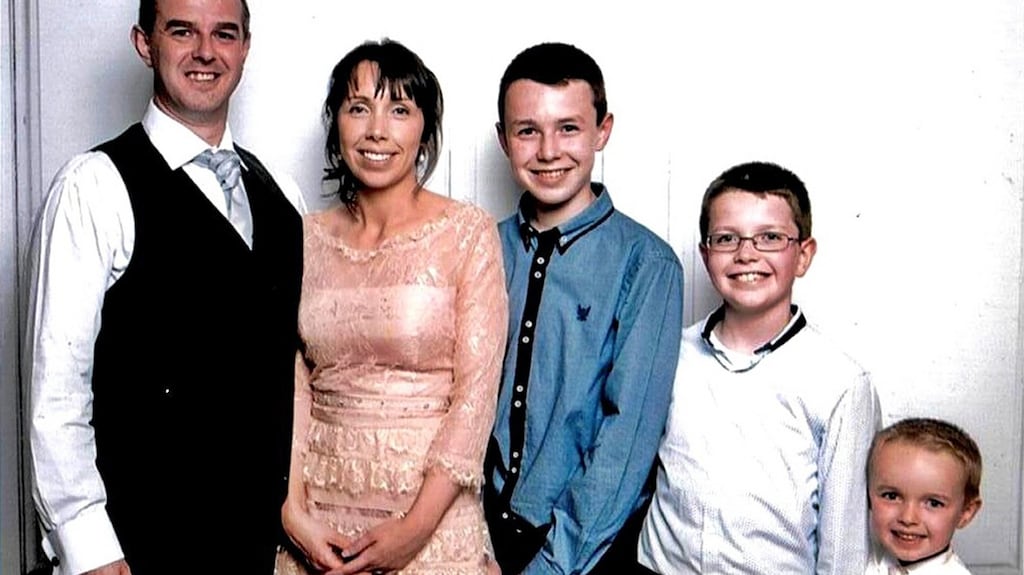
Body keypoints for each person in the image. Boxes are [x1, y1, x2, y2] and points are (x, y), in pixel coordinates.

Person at [24, 0, 306, 573]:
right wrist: (90, 552)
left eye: (224, 34)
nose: (206, 51)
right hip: (134, 552)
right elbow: (57, 388)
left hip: (259, 553)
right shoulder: (94, 186)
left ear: (245, 49)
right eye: (183, 31)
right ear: (144, 42)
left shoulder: (284, 195)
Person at [275, 39, 507, 575]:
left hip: (430, 523)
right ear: (336, 123)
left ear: (424, 128)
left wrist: (412, 532)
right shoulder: (302, 238)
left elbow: (475, 399)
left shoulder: (467, 233)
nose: (377, 130)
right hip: (319, 520)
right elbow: (290, 385)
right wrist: (293, 515)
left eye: (399, 109)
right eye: (359, 108)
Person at [484, 42, 684, 574]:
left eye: (569, 128)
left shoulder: (647, 265)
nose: (548, 150)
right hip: (474, 534)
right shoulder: (481, 248)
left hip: (579, 549)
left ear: (603, 130)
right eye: (528, 130)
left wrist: (554, 564)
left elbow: (626, 440)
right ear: (503, 140)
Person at [638, 161, 882, 574]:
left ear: (803, 255)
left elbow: (844, 547)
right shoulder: (670, 355)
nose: (746, 253)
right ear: (705, 253)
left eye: (770, 237)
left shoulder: (841, 382)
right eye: (726, 238)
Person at [865, 418, 982, 575]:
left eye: (933, 503)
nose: (908, 518)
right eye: (891, 496)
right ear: (868, 495)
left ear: (965, 512)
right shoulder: (858, 554)